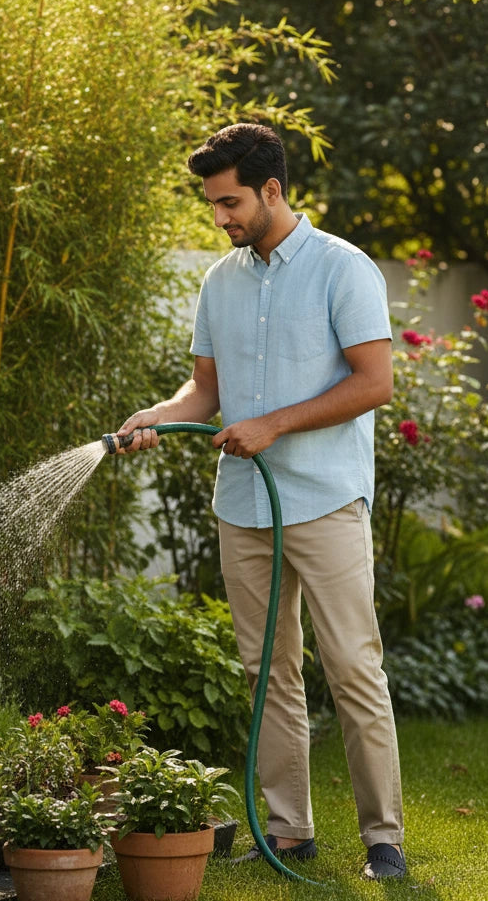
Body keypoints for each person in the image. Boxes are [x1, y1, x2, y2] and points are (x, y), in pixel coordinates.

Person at [115, 122, 405, 881]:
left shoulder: (344, 268)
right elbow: (205, 391)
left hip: (326, 500)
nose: (221, 217)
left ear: (273, 189)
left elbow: (376, 383)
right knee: (267, 671)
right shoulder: (221, 281)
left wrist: (274, 423)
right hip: (242, 506)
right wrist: (159, 415)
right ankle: (289, 829)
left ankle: (384, 840)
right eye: (214, 204)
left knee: (352, 669)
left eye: (231, 201)